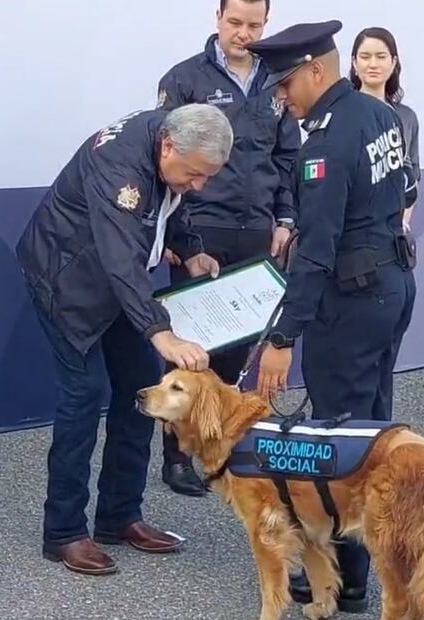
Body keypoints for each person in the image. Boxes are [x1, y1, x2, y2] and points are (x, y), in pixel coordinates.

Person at [15, 103, 232, 576]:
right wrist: (162, 334)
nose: (199, 185)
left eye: (207, 177)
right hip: (67, 282)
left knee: (142, 392)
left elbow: (169, 205)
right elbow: (120, 260)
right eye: (195, 174)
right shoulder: (120, 166)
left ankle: (120, 515)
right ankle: (65, 532)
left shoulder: (171, 143)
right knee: (83, 395)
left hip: (117, 289)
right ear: (169, 146)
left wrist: (192, 251)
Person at [250, 20, 417, 614]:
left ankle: (346, 579)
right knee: (373, 431)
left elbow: (316, 251)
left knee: (339, 440)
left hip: (349, 303)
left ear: (315, 71)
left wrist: (282, 335)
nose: (282, 96)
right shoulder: (378, 115)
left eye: (286, 83)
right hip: (390, 287)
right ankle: (366, 563)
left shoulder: (325, 143)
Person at [154, 0, 300, 497]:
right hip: (202, 229)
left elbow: (288, 158)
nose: (243, 33)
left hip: (257, 230)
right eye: (235, 22)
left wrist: (285, 218)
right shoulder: (184, 78)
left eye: (253, 25)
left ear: (267, 23)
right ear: (217, 19)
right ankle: (177, 454)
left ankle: (218, 444)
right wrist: (178, 235)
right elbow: (166, 159)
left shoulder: (278, 81)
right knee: (191, 350)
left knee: (239, 347)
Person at [350, 27, 421, 233]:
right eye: (365, 57)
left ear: (393, 62)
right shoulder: (341, 112)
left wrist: (403, 223)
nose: (373, 64)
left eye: (381, 56)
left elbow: (412, 175)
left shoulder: (407, 117)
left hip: (392, 231)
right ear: (355, 63)